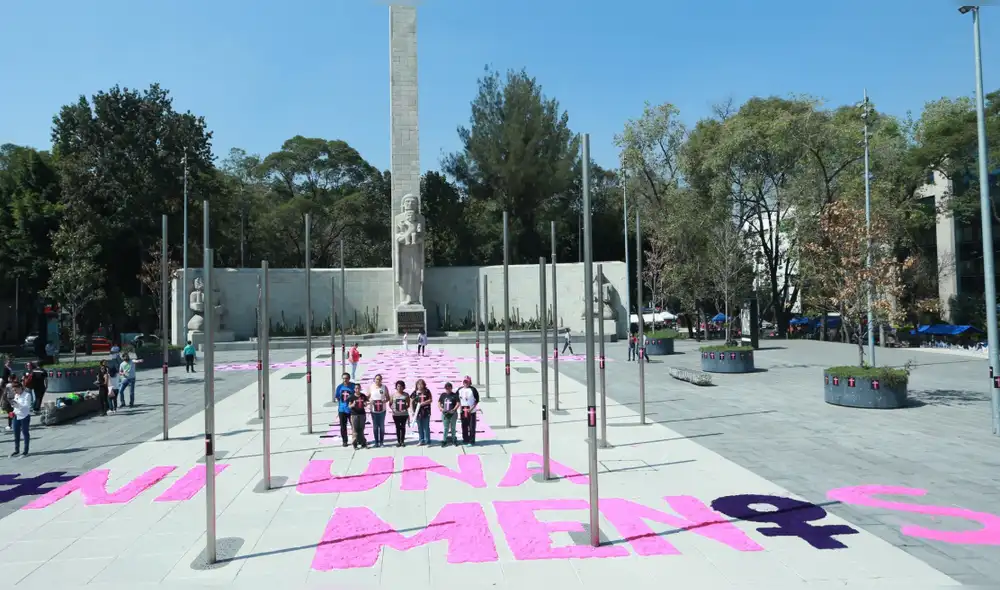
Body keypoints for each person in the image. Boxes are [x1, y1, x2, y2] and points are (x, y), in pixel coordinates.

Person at [9, 380, 35, 457]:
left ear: (20, 388)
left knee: (25, 433)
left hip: (24, 416)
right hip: (16, 415)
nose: (15, 391)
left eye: (16, 389)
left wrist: (17, 405)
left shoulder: (27, 395)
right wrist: (13, 409)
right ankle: (17, 450)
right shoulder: (16, 395)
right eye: (14, 390)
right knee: (16, 433)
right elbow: (15, 405)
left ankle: (25, 451)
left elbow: (26, 406)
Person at [456, 376, 480, 446]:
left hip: (471, 411)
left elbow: (477, 400)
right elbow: (457, 399)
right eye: (464, 381)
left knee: (472, 426)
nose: (465, 383)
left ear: (470, 382)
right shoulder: (460, 389)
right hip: (463, 410)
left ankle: (471, 441)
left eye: (467, 381)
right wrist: (459, 407)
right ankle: (465, 439)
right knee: (464, 425)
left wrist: (472, 408)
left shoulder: (473, 389)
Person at [367, 374, 388, 447]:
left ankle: (381, 442)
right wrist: (370, 401)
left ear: (381, 380)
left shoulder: (384, 387)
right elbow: (367, 397)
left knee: (381, 426)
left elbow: (388, 398)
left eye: (379, 379)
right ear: (374, 379)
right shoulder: (371, 387)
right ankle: (376, 442)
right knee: (375, 427)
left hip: (382, 410)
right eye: (376, 379)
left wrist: (384, 401)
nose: (378, 380)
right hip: (373, 410)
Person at [334, 373, 354, 447]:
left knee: (354, 426)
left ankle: (355, 439)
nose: (345, 380)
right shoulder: (339, 387)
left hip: (351, 410)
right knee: (343, 426)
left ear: (349, 378)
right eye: (343, 378)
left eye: (346, 378)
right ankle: (344, 441)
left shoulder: (353, 386)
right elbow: (337, 397)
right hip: (342, 410)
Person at [438, 381, 460, 447]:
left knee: (453, 427)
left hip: (453, 413)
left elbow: (458, 403)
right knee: (445, 428)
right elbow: (439, 402)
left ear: (451, 388)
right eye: (446, 388)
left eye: (449, 388)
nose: (448, 389)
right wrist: (441, 408)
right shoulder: (443, 395)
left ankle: (454, 439)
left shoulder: (455, 395)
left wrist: (454, 409)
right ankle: (444, 440)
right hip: (445, 414)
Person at [412, 378, 433, 445]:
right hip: (418, 412)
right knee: (419, 426)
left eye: (421, 384)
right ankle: (421, 440)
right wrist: (412, 411)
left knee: (426, 426)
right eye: (418, 384)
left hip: (426, 411)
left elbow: (430, 400)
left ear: (424, 385)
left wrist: (423, 403)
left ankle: (428, 440)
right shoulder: (415, 392)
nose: (420, 386)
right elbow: (411, 401)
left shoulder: (427, 391)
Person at [390, 380, 411, 447]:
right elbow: (390, 403)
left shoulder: (406, 394)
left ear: (403, 387)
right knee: (397, 427)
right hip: (396, 414)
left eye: (401, 386)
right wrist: (393, 409)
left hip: (404, 414)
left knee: (403, 427)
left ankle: (402, 441)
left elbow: (408, 404)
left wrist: (404, 408)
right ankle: (398, 441)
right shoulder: (393, 395)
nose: (399, 387)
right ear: (396, 387)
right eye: (398, 386)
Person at [349, 383, 368, 449]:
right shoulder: (352, 396)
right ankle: (355, 443)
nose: (357, 389)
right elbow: (349, 406)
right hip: (354, 414)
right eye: (356, 388)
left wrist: (366, 404)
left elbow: (365, 403)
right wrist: (352, 405)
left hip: (362, 414)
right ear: (354, 389)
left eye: (358, 388)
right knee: (355, 429)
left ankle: (363, 442)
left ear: (360, 388)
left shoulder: (363, 396)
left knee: (361, 429)